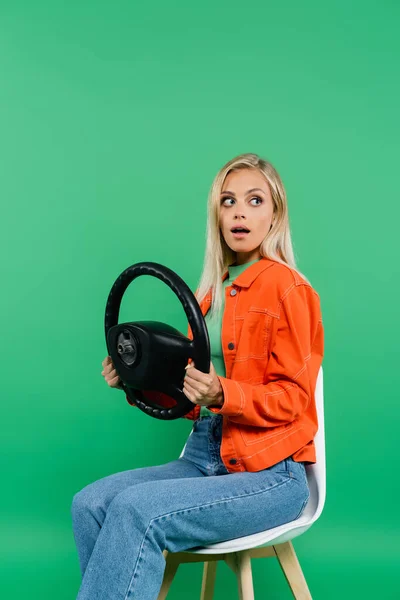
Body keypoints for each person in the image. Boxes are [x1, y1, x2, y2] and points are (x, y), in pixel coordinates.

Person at [71, 152, 324, 600]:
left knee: (135, 512)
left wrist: (223, 392)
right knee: (89, 504)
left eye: (254, 200)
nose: (240, 212)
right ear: (217, 215)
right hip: (204, 457)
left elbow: (294, 401)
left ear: (275, 214)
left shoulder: (289, 288)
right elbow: (186, 399)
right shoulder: (209, 295)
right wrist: (132, 382)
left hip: (271, 473)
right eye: (228, 202)